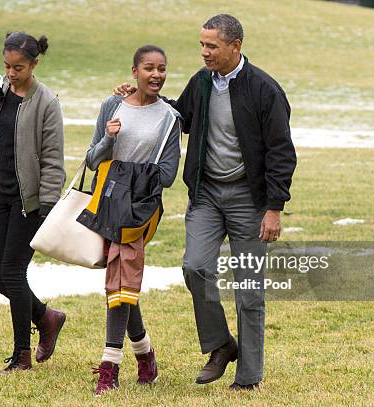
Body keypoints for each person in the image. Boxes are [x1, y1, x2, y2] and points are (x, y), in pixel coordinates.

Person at [115, 14, 296, 390]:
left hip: (251, 199)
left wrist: (274, 207)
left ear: (236, 46)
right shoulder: (201, 83)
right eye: (202, 45)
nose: (204, 52)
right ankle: (221, 345)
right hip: (207, 195)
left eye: (212, 46)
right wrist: (141, 98)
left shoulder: (265, 90)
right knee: (195, 267)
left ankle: (248, 379)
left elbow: (281, 152)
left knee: (248, 290)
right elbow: (179, 117)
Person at [0, 31, 67, 374]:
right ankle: (47, 317)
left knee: (12, 271)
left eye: (18, 67)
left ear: (34, 64)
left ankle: (22, 355)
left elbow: (54, 160)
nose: (11, 73)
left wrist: (48, 207)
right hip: (0, 196)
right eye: (7, 66)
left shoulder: (47, 103)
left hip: (32, 202)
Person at [85, 45, 182, 396]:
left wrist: (129, 174)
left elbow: (169, 174)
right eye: (149, 68)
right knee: (122, 277)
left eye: (162, 68)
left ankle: (109, 368)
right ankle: (145, 356)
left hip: (140, 209)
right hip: (107, 203)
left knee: (120, 276)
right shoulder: (112, 106)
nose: (156, 74)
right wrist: (109, 140)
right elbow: (93, 159)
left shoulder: (170, 117)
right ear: (134, 71)